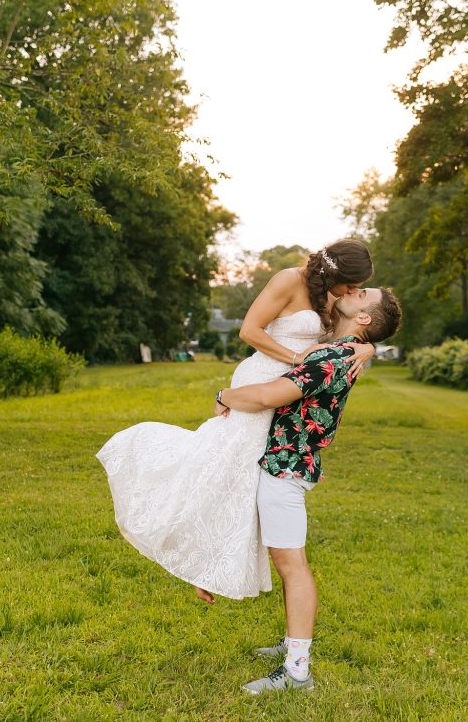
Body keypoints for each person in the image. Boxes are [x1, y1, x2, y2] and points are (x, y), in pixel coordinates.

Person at [96, 241, 376, 602]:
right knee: (225, 466)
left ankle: (210, 563)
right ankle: (192, 553)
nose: (353, 292)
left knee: (244, 480)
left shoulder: (332, 298)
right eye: (351, 284)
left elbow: (353, 330)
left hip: (287, 394)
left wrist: (369, 348)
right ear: (337, 273)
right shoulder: (288, 280)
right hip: (264, 380)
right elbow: (249, 331)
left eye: (357, 289)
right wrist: (295, 357)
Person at [211, 286, 403, 694]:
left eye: (361, 292)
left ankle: (298, 671)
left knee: (292, 567)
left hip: (287, 468)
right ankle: (291, 643)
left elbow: (267, 396)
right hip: (288, 462)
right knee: (289, 564)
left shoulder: (334, 357)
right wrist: (371, 348)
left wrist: (223, 395)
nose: (352, 290)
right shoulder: (341, 349)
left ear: (364, 318)